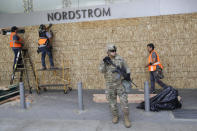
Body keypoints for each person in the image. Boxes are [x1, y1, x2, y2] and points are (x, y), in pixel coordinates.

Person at [99, 44, 131, 128]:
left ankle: (126, 118)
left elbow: (127, 67)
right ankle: (115, 116)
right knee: (112, 103)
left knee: (124, 102)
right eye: (112, 51)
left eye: (115, 50)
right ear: (108, 52)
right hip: (110, 85)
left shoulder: (120, 59)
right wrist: (105, 63)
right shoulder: (104, 60)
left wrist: (128, 75)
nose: (114, 52)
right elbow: (101, 70)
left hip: (120, 85)